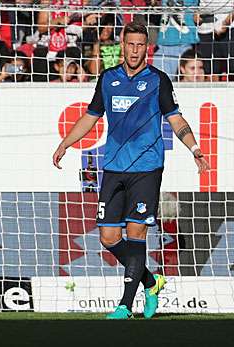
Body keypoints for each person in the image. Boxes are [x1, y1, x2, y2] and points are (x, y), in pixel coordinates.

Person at [52, 22, 210, 319]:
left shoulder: (158, 80)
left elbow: (176, 119)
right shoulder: (108, 78)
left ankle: (125, 305)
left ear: (147, 48)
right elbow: (90, 116)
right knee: (108, 238)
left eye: (141, 45)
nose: (135, 50)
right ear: (122, 46)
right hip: (113, 167)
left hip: (147, 168)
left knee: (136, 234)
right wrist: (65, 143)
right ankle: (151, 282)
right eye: (131, 44)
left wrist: (195, 149)